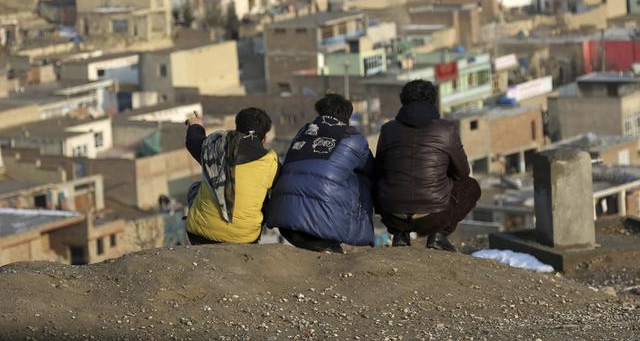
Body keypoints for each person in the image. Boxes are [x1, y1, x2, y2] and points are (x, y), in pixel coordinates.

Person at [374, 79, 481, 252]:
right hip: (434, 217)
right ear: (433, 100)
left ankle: (400, 234)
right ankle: (438, 236)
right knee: (471, 186)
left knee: (377, 182)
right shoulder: (446, 129)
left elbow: (378, 170)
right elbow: (463, 173)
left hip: (394, 214)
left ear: (403, 101)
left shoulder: (388, 129)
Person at [266, 93, 375, 253]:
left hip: (286, 225)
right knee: (361, 178)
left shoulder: (302, 134)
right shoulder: (354, 139)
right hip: (324, 228)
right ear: (347, 117)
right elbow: (373, 171)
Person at [185, 108, 279, 245]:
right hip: (245, 239)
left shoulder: (214, 149)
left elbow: (193, 140)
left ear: (237, 128)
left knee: (196, 188)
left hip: (200, 235)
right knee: (261, 195)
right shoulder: (271, 163)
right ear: (264, 139)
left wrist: (196, 124)